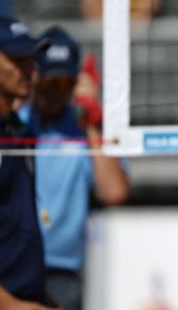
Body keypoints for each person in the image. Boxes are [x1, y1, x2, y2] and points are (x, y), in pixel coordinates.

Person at [16, 26, 130, 310]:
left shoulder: (86, 130)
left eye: (64, 83)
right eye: (49, 83)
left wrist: (90, 120)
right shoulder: (14, 122)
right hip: (12, 264)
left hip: (61, 272)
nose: (56, 93)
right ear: (34, 78)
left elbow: (114, 192)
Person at [0, 16, 59, 309]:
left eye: (30, 59)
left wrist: (43, 301)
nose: (30, 70)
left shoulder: (18, 131)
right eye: (17, 59)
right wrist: (12, 305)